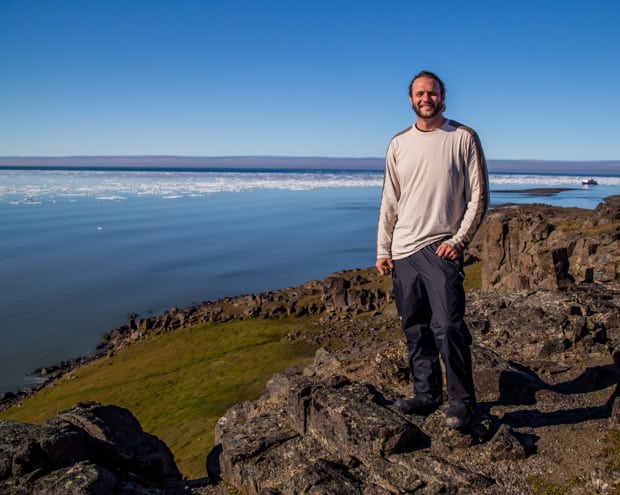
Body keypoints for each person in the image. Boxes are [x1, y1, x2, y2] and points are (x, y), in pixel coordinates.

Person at [376, 70, 489, 431]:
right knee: (415, 327)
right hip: (403, 251)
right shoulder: (398, 144)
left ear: (443, 97)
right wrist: (383, 248)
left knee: (449, 327)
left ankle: (461, 403)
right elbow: (390, 201)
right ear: (410, 99)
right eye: (420, 94)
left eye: (433, 93)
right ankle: (426, 395)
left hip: (440, 249)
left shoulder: (463, 138)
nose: (427, 99)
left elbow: (479, 197)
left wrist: (458, 242)